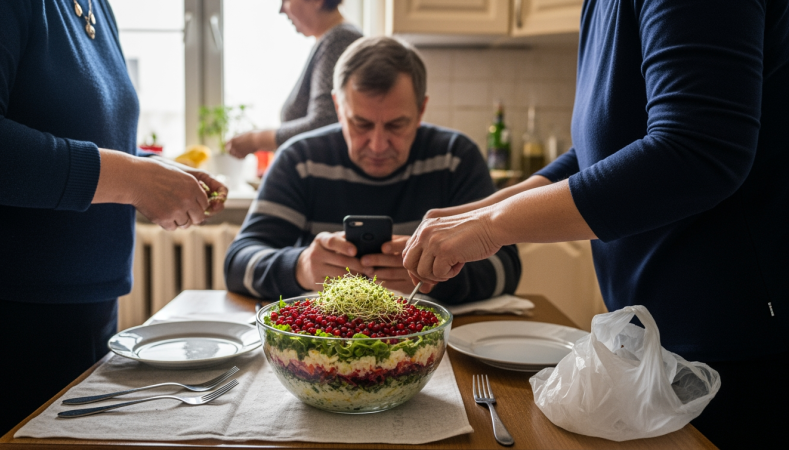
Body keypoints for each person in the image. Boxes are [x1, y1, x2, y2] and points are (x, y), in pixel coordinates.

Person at [401, 0, 787, 447]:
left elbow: (695, 150)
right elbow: (599, 152)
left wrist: (492, 225)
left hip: (733, 341)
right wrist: (485, 209)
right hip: (649, 334)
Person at [0, 0, 227, 446]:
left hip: (90, 311)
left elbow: (84, 133)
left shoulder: (94, 6)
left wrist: (156, 172)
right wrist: (134, 179)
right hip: (0, 321)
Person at [224, 36, 521, 303]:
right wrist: (300, 266)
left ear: (421, 110)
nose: (378, 145)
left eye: (396, 125)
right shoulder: (299, 159)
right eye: (361, 124)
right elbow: (237, 263)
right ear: (338, 108)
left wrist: (433, 278)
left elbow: (507, 267)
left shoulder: (455, 158)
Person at [225, 0, 362, 158]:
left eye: (286, 0)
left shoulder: (339, 40)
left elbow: (323, 123)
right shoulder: (330, 40)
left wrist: (256, 139)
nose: (281, 10)